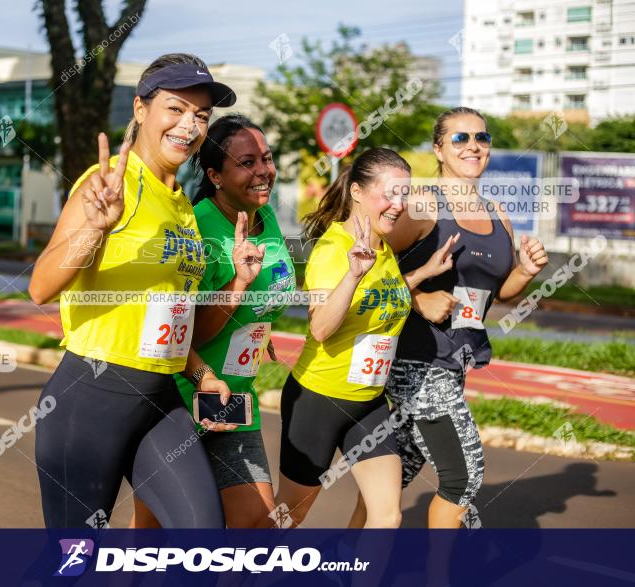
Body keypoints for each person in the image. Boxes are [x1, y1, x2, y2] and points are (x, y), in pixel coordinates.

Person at [28, 53, 238, 529]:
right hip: (91, 395)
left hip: (158, 396)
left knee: (203, 536)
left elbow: (165, 313)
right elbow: (40, 286)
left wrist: (202, 374)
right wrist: (96, 229)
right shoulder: (110, 184)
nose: (189, 125)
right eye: (176, 108)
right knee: (76, 562)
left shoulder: (181, 204)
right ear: (141, 109)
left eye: (201, 116)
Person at [370, 106, 549, 528]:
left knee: (394, 475)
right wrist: (417, 297)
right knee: (463, 479)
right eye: (460, 138)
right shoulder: (421, 207)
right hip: (417, 360)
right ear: (438, 149)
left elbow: (495, 293)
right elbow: (365, 268)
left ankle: (352, 554)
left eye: (481, 138)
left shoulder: (497, 214)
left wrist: (524, 270)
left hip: (454, 364)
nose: (474, 146)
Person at [274, 148, 456, 528]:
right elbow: (320, 328)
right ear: (357, 191)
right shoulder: (334, 249)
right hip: (319, 401)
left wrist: (422, 273)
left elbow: (380, 295)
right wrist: (354, 273)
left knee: (387, 516)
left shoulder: (383, 248)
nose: (399, 205)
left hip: (369, 402)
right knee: (290, 514)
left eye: (405, 195)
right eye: (390, 194)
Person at [130, 115, 295, 528]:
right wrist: (238, 285)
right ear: (215, 175)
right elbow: (183, 332)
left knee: (256, 525)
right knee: (158, 533)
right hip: (183, 398)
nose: (262, 172)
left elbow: (269, 289)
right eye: (247, 162)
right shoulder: (197, 228)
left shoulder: (265, 217)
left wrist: (261, 322)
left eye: (267, 159)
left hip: (234, 397)